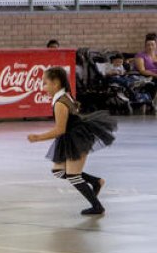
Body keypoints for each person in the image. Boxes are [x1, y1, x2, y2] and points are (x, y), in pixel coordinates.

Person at [27, 67, 116, 216]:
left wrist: (38, 137)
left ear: (56, 83)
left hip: (77, 138)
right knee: (59, 171)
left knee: (74, 176)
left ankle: (97, 207)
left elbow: (60, 129)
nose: (43, 88)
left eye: (45, 83)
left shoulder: (60, 103)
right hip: (71, 136)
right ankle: (95, 182)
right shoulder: (64, 96)